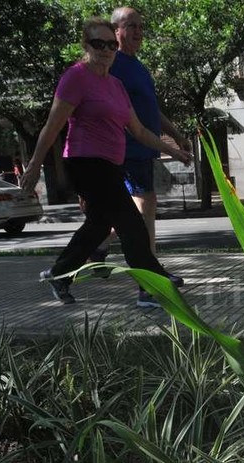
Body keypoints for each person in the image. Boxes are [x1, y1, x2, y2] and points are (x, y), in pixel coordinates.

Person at [20, 16, 192, 306]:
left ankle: (60, 274)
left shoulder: (116, 85)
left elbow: (138, 131)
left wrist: (173, 150)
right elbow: (52, 126)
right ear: (86, 45)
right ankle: (151, 285)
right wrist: (35, 164)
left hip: (112, 164)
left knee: (99, 226)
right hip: (86, 163)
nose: (106, 50)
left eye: (111, 44)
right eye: (98, 43)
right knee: (131, 223)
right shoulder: (75, 77)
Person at [88, 6, 193, 307]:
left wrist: (175, 134)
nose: (138, 32)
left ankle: (96, 248)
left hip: (142, 152)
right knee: (143, 209)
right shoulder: (113, 64)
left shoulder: (138, 67)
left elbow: (151, 110)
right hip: (124, 151)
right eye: (131, 25)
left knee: (131, 213)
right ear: (116, 30)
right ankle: (148, 286)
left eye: (141, 27)